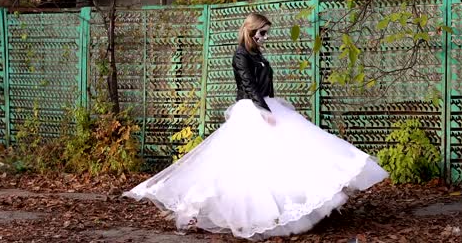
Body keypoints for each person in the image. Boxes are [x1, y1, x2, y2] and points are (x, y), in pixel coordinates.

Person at [123, 13, 389, 241]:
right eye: (261, 33)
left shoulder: (257, 54)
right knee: (250, 164)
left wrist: (272, 107)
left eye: (266, 33)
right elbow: (248, 84)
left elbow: (264, 83)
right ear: (250, 31)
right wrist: (263, 110)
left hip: (268, 106)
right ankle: (251, 214)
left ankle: (296, 207)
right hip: (253, 110)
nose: (264, 37)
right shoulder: (240, 55)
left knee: (286, 156)